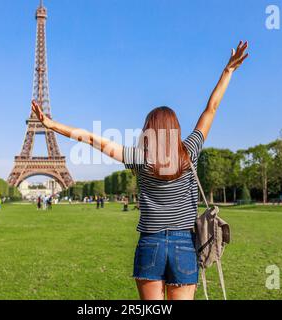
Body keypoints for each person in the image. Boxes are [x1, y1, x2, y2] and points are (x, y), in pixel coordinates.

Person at [31, 41, 249, 300]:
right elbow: (210, 109)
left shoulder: (139, 159)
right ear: (175, 129)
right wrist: (228, 71)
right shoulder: (189, 150)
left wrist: (51, 124)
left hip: (151, 244)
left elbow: (90, 138)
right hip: (184, 245)